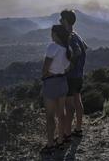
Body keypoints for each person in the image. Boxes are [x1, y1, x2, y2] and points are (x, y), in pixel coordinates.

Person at [40, 25, 71, 154]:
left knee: (50, 116)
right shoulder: (67, 49)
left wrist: (46, 75)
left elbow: (45, 67)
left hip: (51, 83)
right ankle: (61, 141)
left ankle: (50, 144)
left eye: (52, 33)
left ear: (56, 34)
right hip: (63, 82)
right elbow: (68, 68)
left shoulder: (52, 47)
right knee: (61, 114)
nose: (51, 35)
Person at [59, 10, 88, 141]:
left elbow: (76, 51)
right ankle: (78, 129)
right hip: (79, 75)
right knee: (78, 101)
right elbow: (84, 47)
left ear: (65, 21)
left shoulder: (70, 36)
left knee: (69, 105)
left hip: (71, 76)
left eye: (61, 19)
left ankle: (67, 133)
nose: (59, 22)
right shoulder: (77, 35)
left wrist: (68, 67)